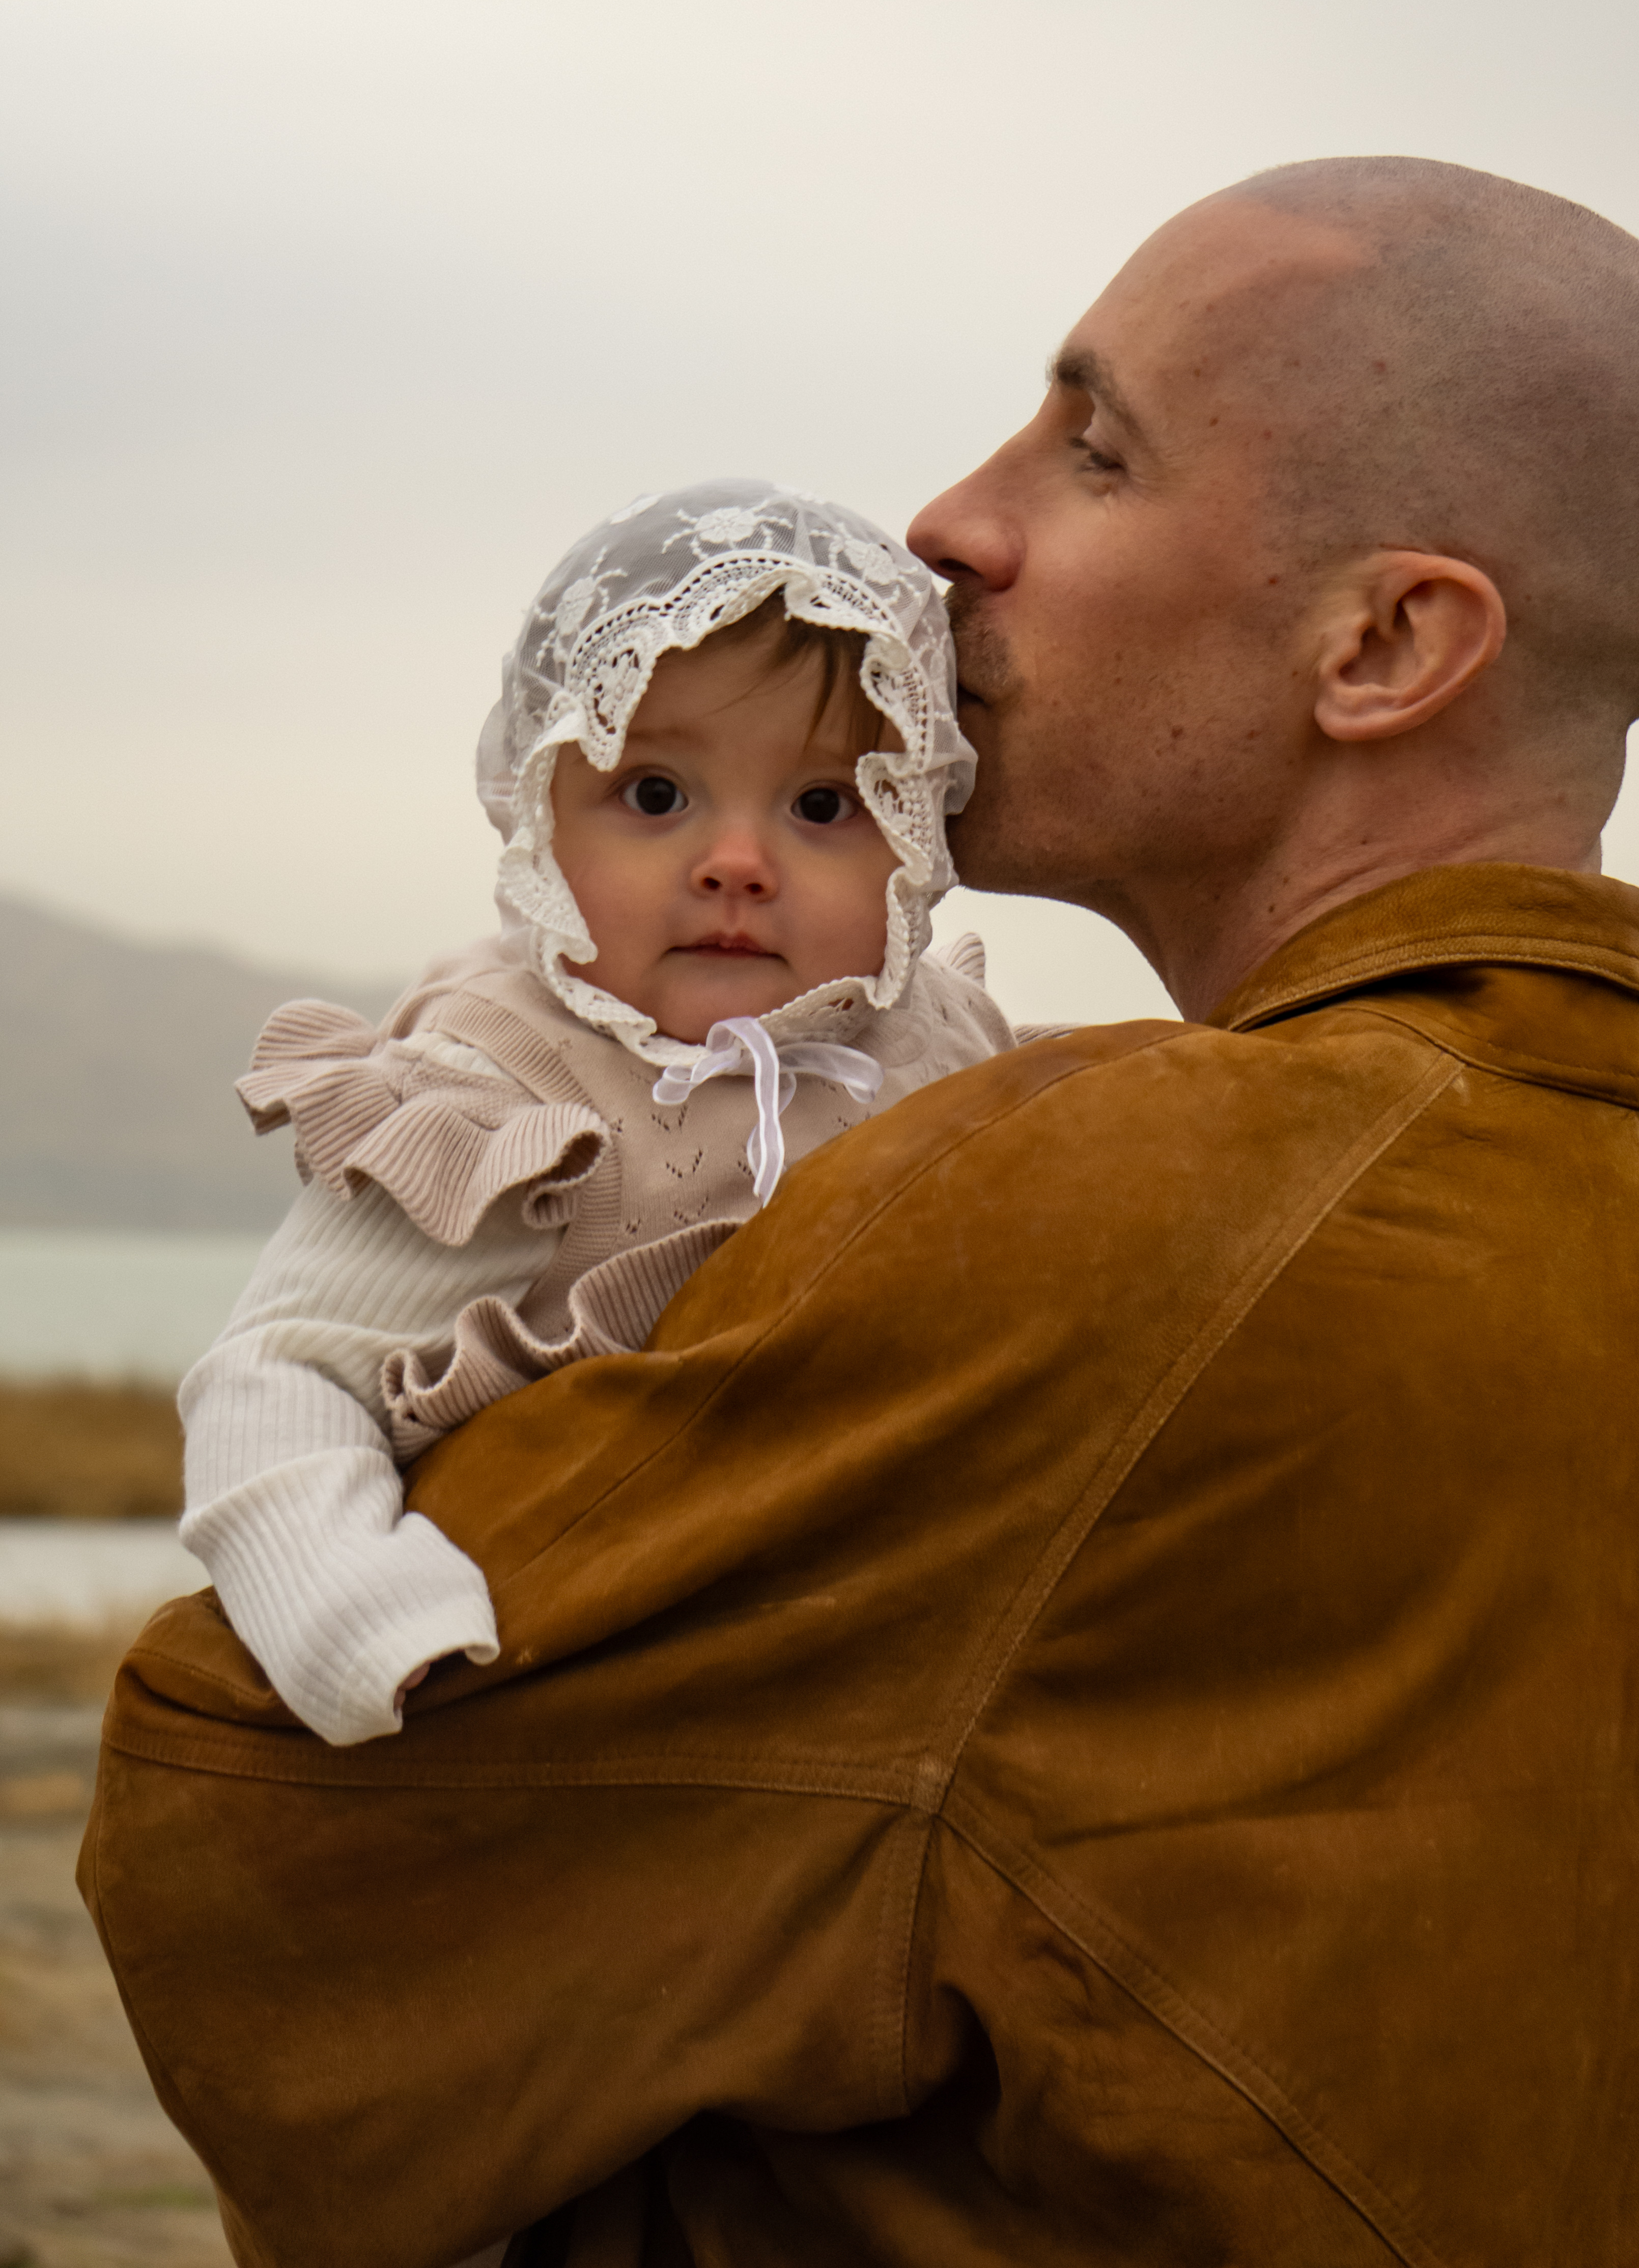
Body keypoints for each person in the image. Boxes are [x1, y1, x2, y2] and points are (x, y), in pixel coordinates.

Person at [84, 159, 1639, 2267]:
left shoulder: (1071, 1201)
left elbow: (255, 1840)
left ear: (1383, 642)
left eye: (1089, 447)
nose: (945, 522)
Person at [176, 483, 1013, 1744]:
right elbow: (280, 1373)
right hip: (576, 1682)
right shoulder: (506, 1087)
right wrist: (364, 1614)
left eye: (824, 806)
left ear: (919, 835)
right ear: (539, 813)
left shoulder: (942, 1047)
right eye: (657, 794)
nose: (738, 862)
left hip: (879, 1666)